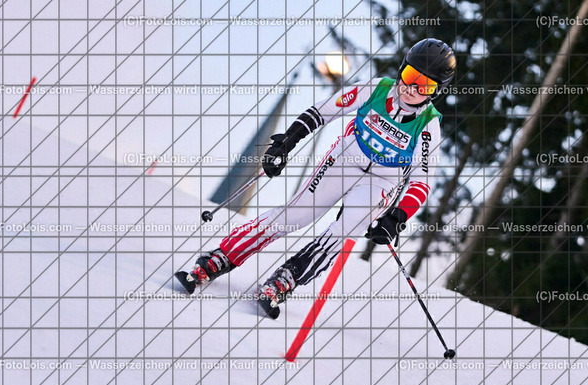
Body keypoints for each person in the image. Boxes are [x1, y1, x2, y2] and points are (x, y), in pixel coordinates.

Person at [175, 38, 456, 319]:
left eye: (425, 85)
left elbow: (421, 182)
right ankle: (221, 257)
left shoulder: (428, 124)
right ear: (402, 69)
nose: (412, 88)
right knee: (295, 215)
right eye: (410, 75)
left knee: (343, 231)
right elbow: (323, 111)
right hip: (346, 159)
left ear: (436, 92)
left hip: (382, 180)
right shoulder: (376, 89)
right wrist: (287, 141)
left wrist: (396, 217)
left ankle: (285, 280)